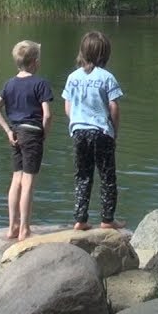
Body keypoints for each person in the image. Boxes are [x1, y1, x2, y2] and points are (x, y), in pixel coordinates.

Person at [0, 40, 53, 241]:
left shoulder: (9, 84)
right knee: (28, 182)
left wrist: (8, 130)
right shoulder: (40, 83)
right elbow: (48, 115)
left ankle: (12, 226)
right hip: (32, 133)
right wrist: (44, 133)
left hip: (15, 133)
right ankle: (25, 228)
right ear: (35, 62)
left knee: (16, 179)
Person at [63, 31, 125, 231]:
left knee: (83, 175)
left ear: (83, 52)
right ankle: (107, 219)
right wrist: (114, 131)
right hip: (101, 132)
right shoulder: (107, 77)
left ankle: (80, 219)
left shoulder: (73, 77)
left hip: (79, 131)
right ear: (105, 54)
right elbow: (114, 107)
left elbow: (67, 105)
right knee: (107, 176)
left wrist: (76, 122)